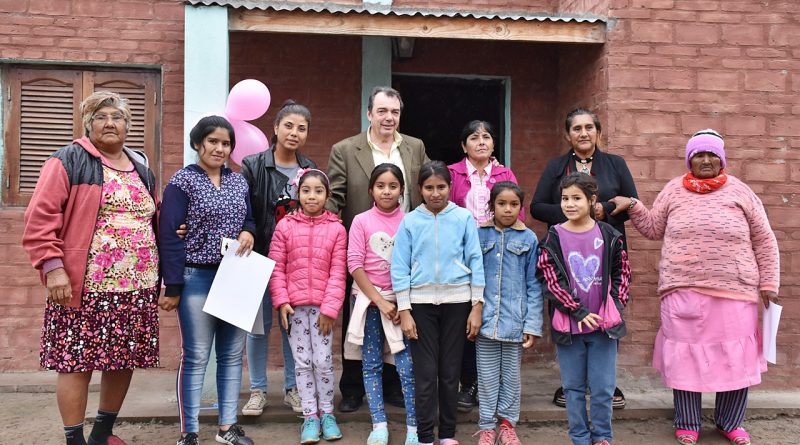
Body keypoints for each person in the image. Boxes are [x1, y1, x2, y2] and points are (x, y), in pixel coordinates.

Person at [609, 129, 780, 445]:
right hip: (682, 289)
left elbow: (764, 239)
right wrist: (633, 205)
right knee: (685, 357)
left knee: (735, 359)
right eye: (698, 155)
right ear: (689, 160)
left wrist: (769, 282)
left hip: (735, 290)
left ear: (721, 159)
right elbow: (653, 228)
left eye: (711, 154)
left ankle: (730, 423)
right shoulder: (673, 190)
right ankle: (687, 422)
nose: (705, 160)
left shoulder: (741, 192)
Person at [22, 91, 159, 445]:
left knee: (123, 358)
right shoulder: (69, 160)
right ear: (88, 124)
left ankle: (102, 433)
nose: (110, 123)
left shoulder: (142, 167)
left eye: (117, 117)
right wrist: (53, 267)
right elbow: (40, 218)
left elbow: (151, 216)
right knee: (76, 361)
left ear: (128, 125)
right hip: (84, 286)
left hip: (137, 286)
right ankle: (75, 440)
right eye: (101, 117)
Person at [327, 86, 430, 412]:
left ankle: (392, 385)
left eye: (394, 112)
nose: (389, 117)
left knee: (399, 314)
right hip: (363, 246)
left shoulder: (415, 146)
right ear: (369, 113)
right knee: (358, 316)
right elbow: (335, 196)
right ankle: (353, 388)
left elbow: (428, 185)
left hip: (406, 245)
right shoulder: (345, 149)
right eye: (382, 111)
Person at [159, 116, 257, 445]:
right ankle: (189, 433)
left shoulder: (238, 182)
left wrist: (248, 231)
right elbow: (169, 234)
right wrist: (173, 285)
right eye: (213, 141)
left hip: (235, 276)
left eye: (226, 143)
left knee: (231, 355)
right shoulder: (182, 182)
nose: (219, 148)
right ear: (198, 143)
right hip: (196, 277)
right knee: (197, 355)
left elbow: (248, 218)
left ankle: (227, 428)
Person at [530, 108, 634, 409]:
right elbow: (537, 207)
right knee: (568, 310)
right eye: (577, 128)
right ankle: (570, 383)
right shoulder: (556, 167)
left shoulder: (615, 164)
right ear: (567, 134)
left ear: (598, 132)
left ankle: (605, 384)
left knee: (607, 310)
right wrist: (574, 212)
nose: (583, 133)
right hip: (567, 253)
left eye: (589, 127)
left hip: (604, 251)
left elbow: (631, 204)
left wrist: (603, 209)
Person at [391, 161, 485, 445]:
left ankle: (446, 434)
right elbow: (399, 266)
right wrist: (405, 309)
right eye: (429, 188)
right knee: (425, 373)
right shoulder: (410, 221)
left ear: (450, 187)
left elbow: (476, 260)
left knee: (450, 372)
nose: (435, 193)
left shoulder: (463, 218)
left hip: (458, 302)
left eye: (441, 187)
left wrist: (477, 305)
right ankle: (424, 436)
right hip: (420, 306)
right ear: (419, 189)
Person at [536, 173, 631, 445]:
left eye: (576, 198)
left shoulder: (609, 235)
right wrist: (578, 311)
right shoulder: (554, 237)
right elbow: (550, 279)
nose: (569, 204)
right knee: (573, 389)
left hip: (603, 329)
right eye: (565, 198)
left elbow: (623, 273)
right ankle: (579, 437)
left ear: (592, 200)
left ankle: (602, 437)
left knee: (603, 389)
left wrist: (615, 306)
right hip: (569, 327)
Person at [240, 100, 316, 416]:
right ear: (275, 128)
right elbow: (243, 208)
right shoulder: (253, 164)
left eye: (302, 128)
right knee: (258, 328)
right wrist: (248, 231)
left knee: (292, 327)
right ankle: (258, 390)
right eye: (289, 126)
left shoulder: (309, 169)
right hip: (258, 255)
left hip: (294, 262)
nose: (294, 133)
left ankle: (293, 389)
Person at [448, 120, 521, 413]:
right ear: (463, 145)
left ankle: (488, 383)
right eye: (474, 137)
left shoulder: (505, 174)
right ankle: (467, 383)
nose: (481, 142)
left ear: (493, 144)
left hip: (496, 253)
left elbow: (516, 213)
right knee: (466, 317)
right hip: (459, 255)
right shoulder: (452, 173)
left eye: (486, 137)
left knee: (491, 313)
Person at [269, 169, 347, 444]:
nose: (312, 196)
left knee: (323, 361)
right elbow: (277, 268)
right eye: (306, 191)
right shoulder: (285, 227)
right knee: (302, 363)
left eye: (318, 191)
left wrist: (330, 308)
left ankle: (327, 414)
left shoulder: (337, 229)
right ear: (297, 193)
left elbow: (338, 272)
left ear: (327, 195)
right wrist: (282, 301)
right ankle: (310, 416)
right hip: (295, 309)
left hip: (323, 310)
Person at [344, 164, 418, 445]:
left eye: (393, 186)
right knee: (371, 363)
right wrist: (379, 301)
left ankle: (414, 427)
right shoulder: (361, 221)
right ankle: (378, 424)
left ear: (402, 190)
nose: (387, 191)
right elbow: (354, 263)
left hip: (402, 305)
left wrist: (401, 303)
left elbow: (414, 264)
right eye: (380, 186)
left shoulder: (410, 221)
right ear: (371, 189)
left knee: (406, 366)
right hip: (369, 302)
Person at [475, 182, 543, 445]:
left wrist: (532, 325)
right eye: (501, 203)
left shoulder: (528, 239)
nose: (507, 209)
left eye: (514, 204)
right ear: (492, 206)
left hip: (515, 322)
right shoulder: (479, 235)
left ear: (521, 208)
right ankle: (487, 427)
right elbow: (472, 278)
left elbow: (534, 284)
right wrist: (472, 314)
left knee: (511, 379)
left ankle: (507, 425)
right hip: (485, 322)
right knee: (487, 378)